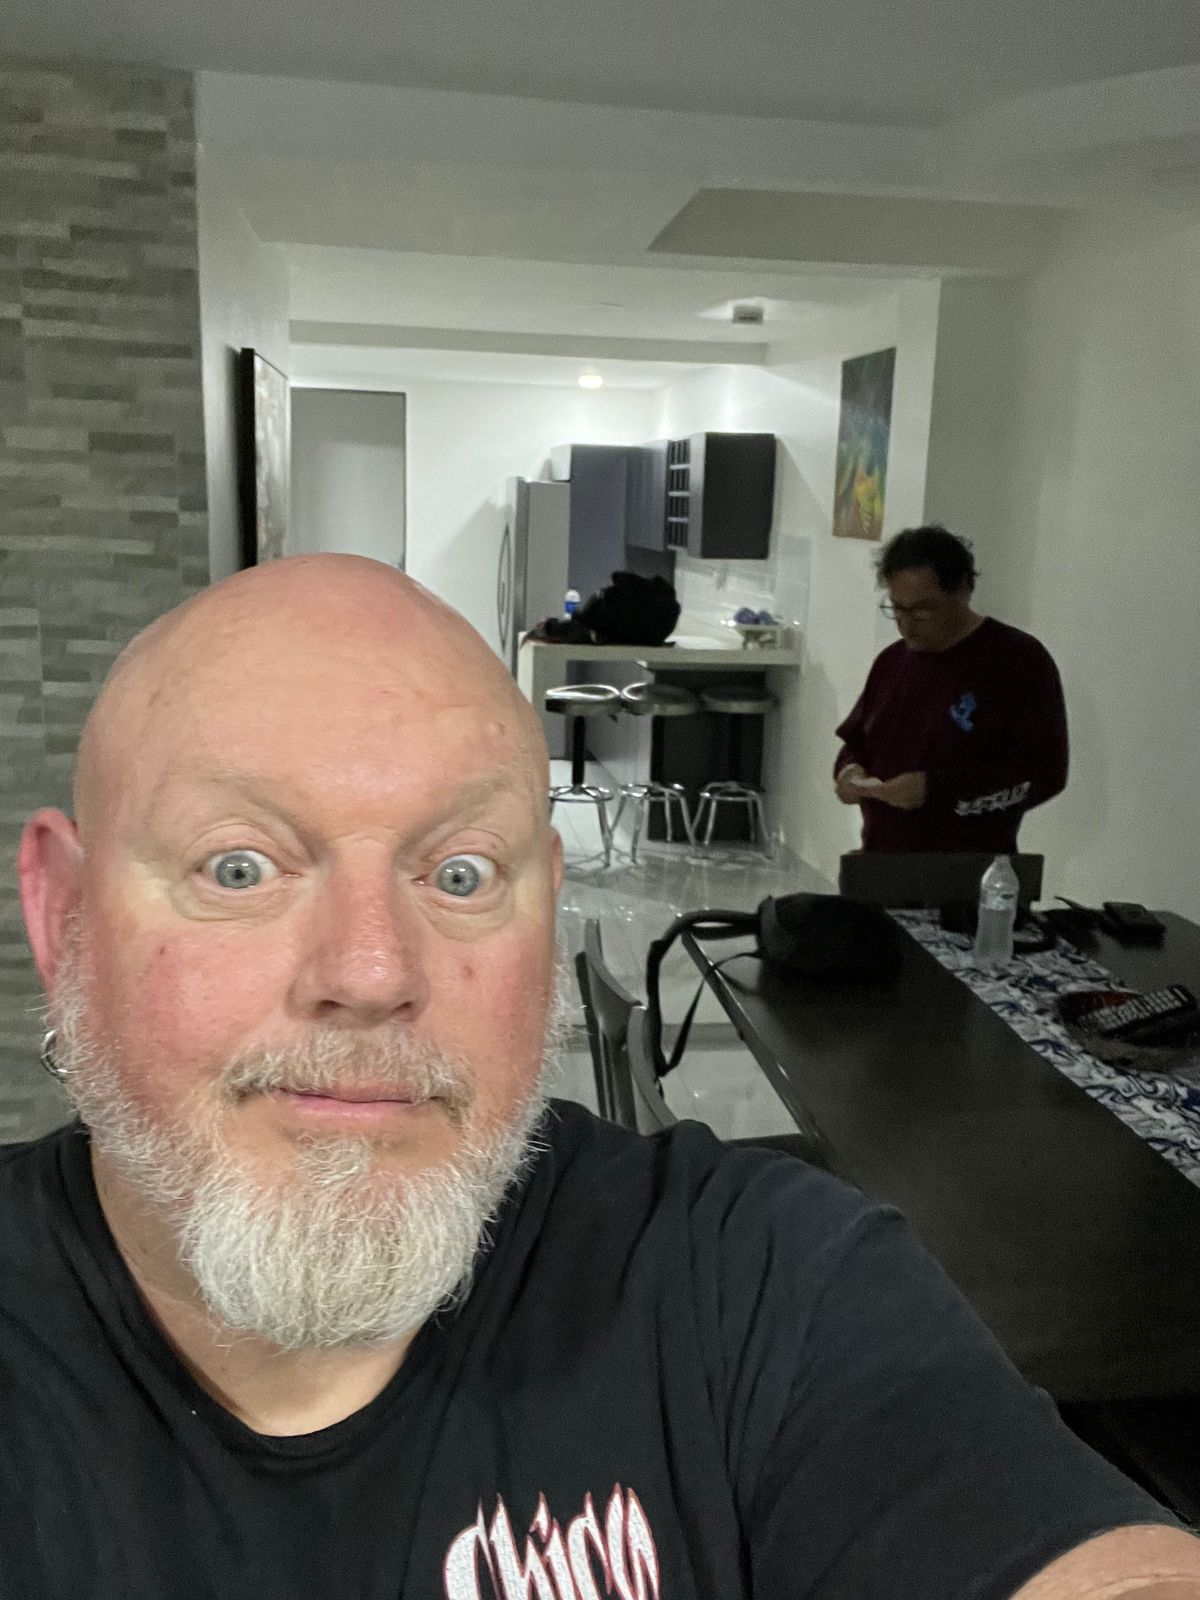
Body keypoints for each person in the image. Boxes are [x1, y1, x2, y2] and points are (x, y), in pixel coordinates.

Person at [6, 553, 1197, 1600]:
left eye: (462, 874)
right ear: (64, 916)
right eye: (239, 866)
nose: (371, 972)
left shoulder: (755, 1280)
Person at [834, 523, 1069, 852]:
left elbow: (1044, 774)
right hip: (880, 858)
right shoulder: (891, 662)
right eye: (898, 609)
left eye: (923, 610)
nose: (907, 624)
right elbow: (859, 741)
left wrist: (934, 791)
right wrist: (849, 771)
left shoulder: (1017, 661)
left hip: (969, 864)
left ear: (962, 591)